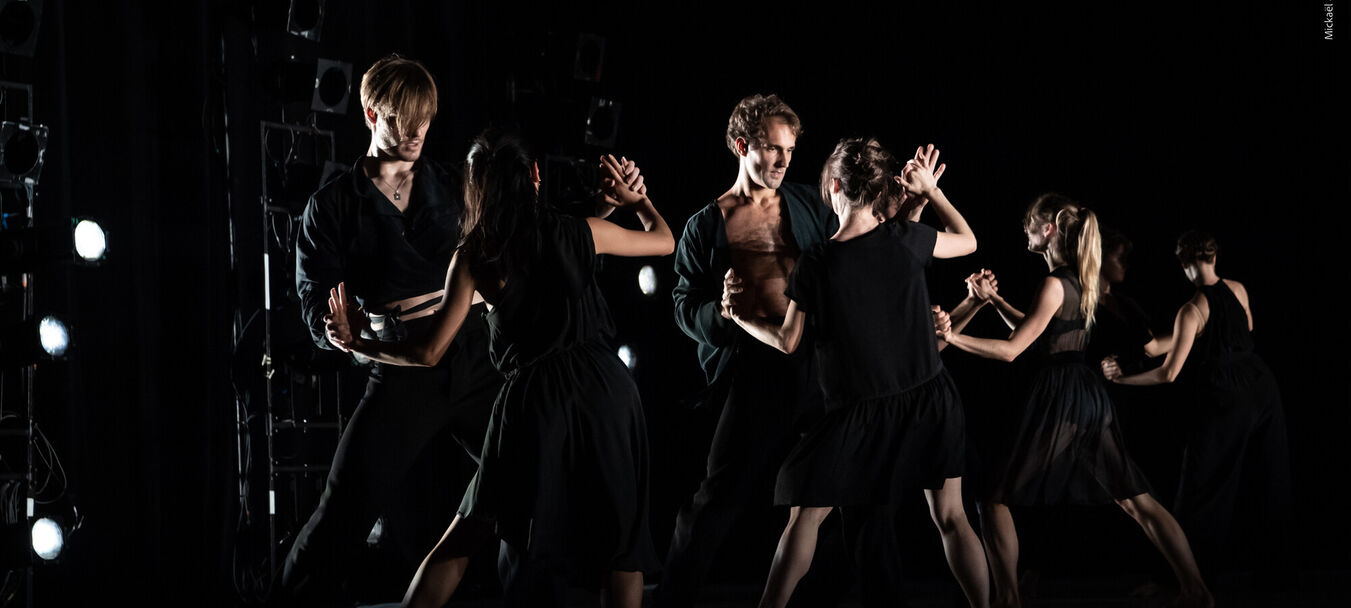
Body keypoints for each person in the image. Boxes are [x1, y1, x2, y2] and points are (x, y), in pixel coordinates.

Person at [325, 131, 670, 608]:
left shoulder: (475, 257)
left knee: (469, 532)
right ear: (535, 175)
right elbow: (664, 241)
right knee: (622, 546)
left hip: (535, 400)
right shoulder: (582, 230)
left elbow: (428, 353)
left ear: (475, 190)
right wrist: (637, 201)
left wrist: (358, 342)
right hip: (606, 392)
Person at [279, 54, 503, 607]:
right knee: (343, 508)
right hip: (402, 366)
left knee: (533, 478)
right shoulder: (331, 206)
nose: (417, 132)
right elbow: (315, 297)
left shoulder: (453, 184)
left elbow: (509, 245)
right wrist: (335, 328)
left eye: (425, 119)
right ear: (371, 114)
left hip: (477, 356)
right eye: (404, 120)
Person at [727, 138, 988, 608]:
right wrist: (931, 192)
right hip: (928, 402)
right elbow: (968, 240)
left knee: (805, 517)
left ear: (833, 187)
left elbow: (787, 341)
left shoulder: (817, 262)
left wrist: (741, 317)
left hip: (861, 414)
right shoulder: (905, 240)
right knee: (951, 518)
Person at [939, 194, 1211, 608]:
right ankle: (1196, 589)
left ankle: (1008, 600)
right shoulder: (1078, 279)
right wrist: (993, 301)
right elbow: (1040, 333)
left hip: (1062, 397)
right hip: (1087, 396)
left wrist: (950, 336)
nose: (1025, 230)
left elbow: (1012, 350)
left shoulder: (1054, 283)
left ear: (1048, 229)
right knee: (1137, 500)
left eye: (1030, 223)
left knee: (993, 498)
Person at [662, 93, 847, 607]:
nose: (784, 160)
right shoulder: (707, 223)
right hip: (755, 371)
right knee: (717, 498)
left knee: (841, 493)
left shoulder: (809, 203)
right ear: (743, 146)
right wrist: (721, 313)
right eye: (772, 149)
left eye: (790, 150)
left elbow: (855, 244)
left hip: (817, 365)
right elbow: (683, 306)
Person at [1101, 230, 1291, 580]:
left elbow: (1168, 373)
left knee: (1201, 487)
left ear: (1183, 264)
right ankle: (1271, 572)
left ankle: (1187, 579)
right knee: (1266, 476)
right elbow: (1245, 328)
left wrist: (1121, 379)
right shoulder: (1238, 289)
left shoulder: (1190, 310)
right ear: (1214, 257)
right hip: (1262, 388)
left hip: (1226, 396)